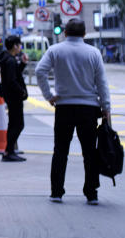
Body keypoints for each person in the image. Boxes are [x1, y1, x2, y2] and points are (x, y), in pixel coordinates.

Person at [36, 18, 111, 205]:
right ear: (84, 34)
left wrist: (48, 95)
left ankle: (56, 192)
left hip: (64, 108)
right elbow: (102, 83)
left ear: (65, 33)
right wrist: (106, 108)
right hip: (89, 109)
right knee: (89, 152)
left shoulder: (55, 50)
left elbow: (39, 71)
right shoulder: (93, 53)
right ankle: (91, 193)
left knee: (60, 151)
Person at [0, 34, 28, 162]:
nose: (20, 47)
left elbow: (13, 74)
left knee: (14, 124)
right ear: (15, 46)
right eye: (19, 44)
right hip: (14, 97)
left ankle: (9, 151)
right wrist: (22, 92)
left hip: (10, 96)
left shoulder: (8, 59)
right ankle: (9, 151)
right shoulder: (10, 60)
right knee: (18, 124)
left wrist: (23, 64)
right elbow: (12, 80)